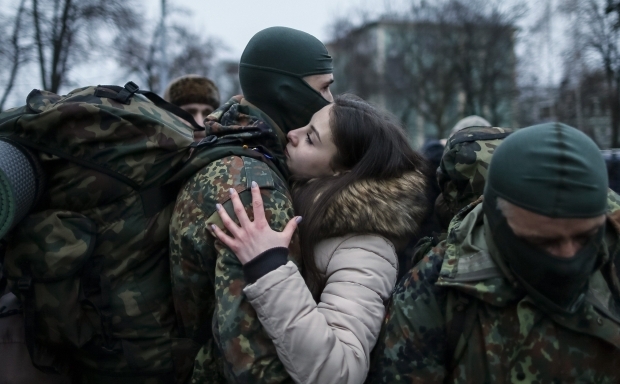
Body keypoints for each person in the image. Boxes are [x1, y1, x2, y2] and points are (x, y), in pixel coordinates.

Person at [368, 123, 620, 383]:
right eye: (543, 242)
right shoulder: (437, 288)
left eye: (585, 237)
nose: (568, 255)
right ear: (496, 220)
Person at [211, 94, 430, 384]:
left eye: (311, 139)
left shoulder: (367, 248)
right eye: (305, 126)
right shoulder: (306, 196)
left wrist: (270, 268)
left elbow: (340, 371)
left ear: (343, 170)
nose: (292, 134)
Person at [168, 26, 335, 383]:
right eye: (324, 87)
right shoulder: (255, 187)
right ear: (285, 91)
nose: (331, 101)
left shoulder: (229, 146)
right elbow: (253, 355)